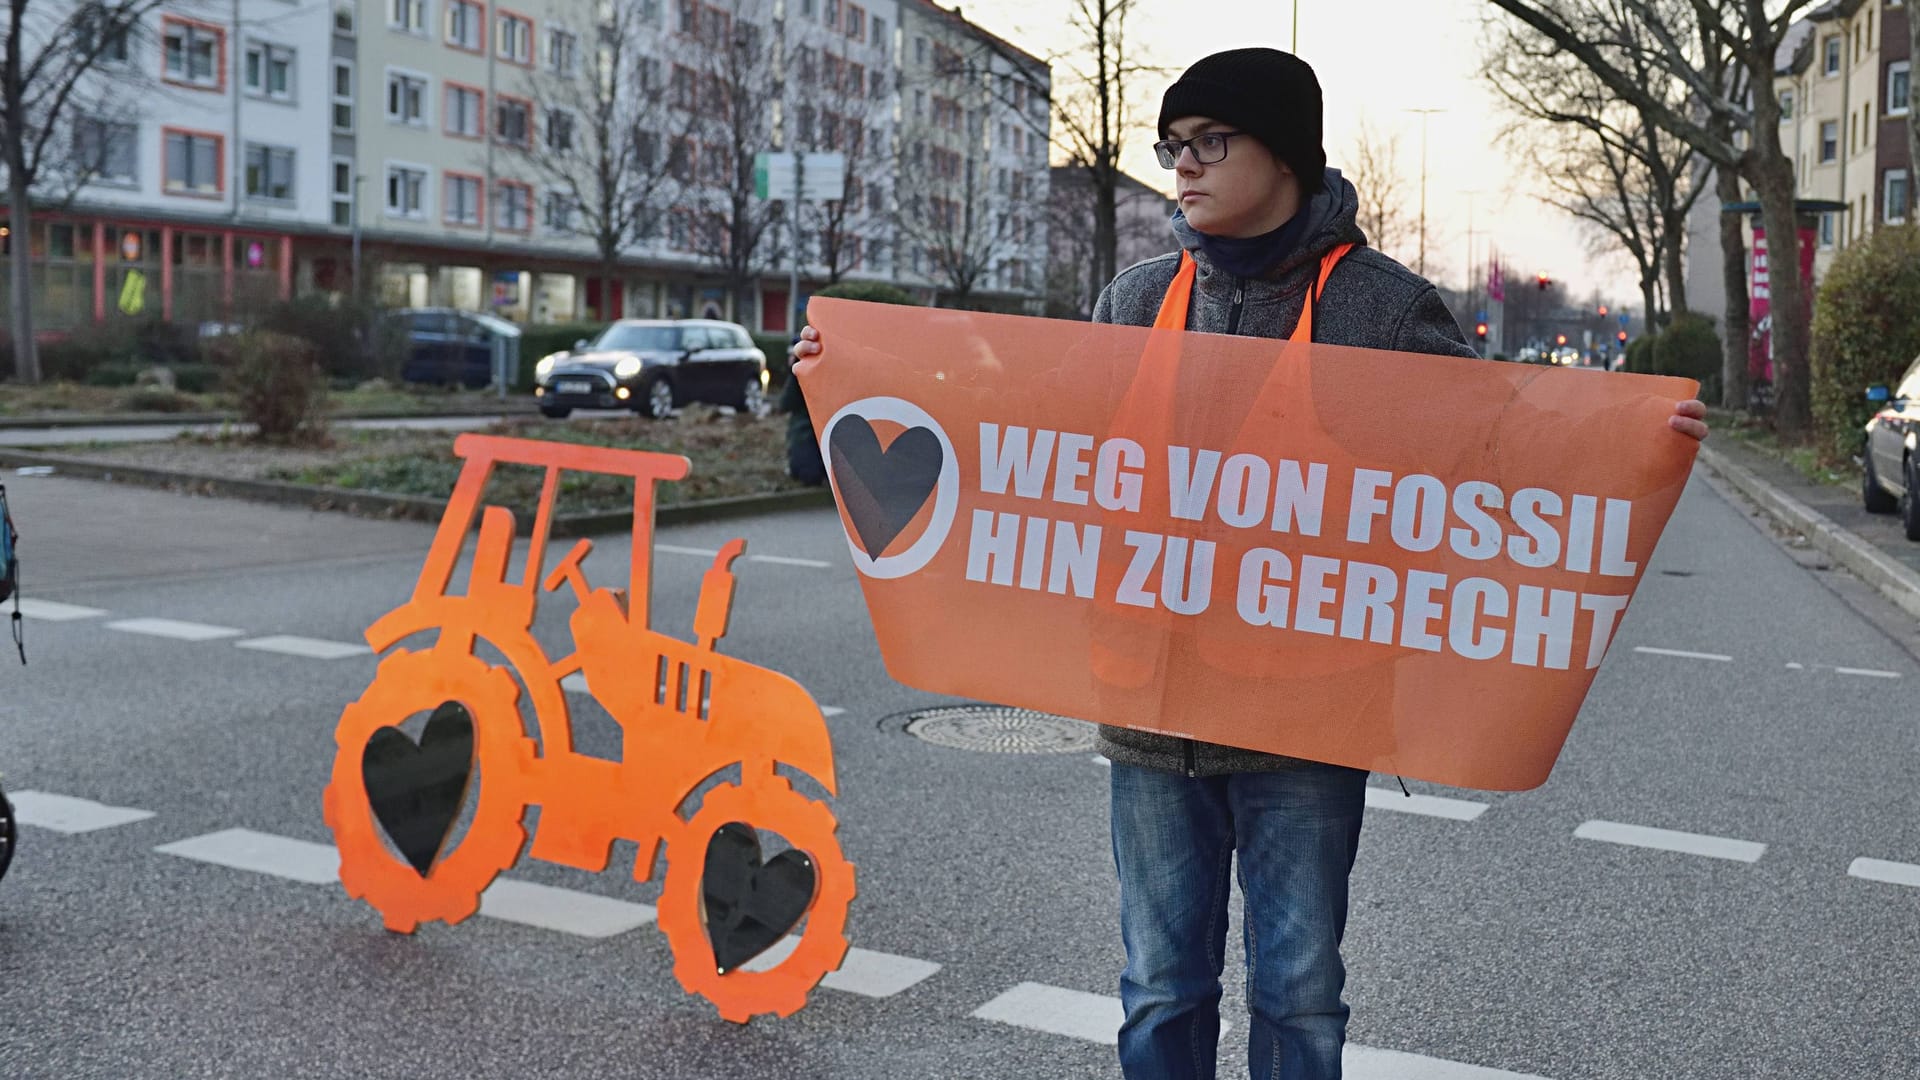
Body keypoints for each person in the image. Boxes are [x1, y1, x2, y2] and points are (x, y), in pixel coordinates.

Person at [792, 47, 1707, 1080]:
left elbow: (1490, 459)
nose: (1184, 165)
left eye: (1210, 142)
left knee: (1300, 996)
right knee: (1157, 990)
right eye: (1173, 145)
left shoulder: (1378, 309)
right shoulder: (1135, 300)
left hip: (1306, 730)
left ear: (1287, 154)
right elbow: (1031, 447)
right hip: (1149, 718)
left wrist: (1632, 444)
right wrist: (844, 390)